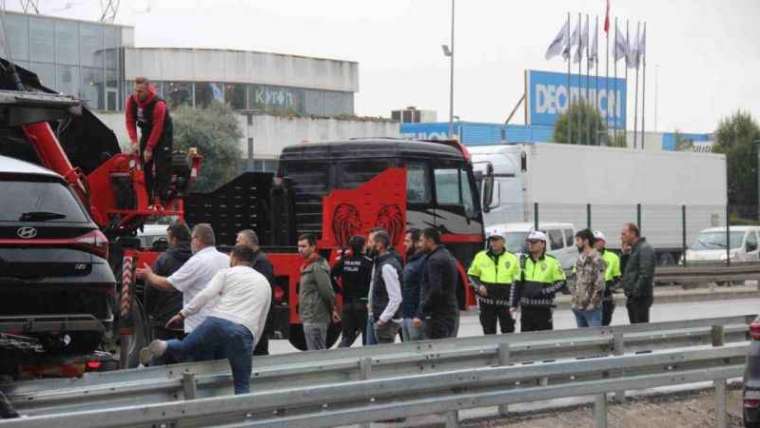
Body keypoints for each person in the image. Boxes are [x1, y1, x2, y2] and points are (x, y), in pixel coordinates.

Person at [139, 245, 271, 395]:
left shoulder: (226, 273)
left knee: (186, 346)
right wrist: (250, 345)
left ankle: (165, 345)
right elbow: (262, 318)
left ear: (233, 257)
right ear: (253, 261)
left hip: (215, 322)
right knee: (242, 385)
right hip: (243, 330)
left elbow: (205, 295)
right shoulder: (264, 282)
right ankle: (242, 415)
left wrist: (183, 314)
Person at [137, 223, 230, 335]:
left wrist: (149, 275)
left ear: (197, 239)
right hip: (222, 324)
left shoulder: (197, 260)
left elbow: (169, 285)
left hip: (195, 324)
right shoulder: (227, 260)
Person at [144, 221, 192, 356]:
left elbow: (151, 288)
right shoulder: (197, 259)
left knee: (162, 356)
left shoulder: (164, 260)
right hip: (191, 319)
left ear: (174, 239)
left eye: (169, 238)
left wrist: (150, 312)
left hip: (166, 320)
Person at [125, 77, 173, 206]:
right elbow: (130, 121)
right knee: (144, 163)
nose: (137, 94)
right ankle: (148, 198)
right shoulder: (131, 100)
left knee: (161, 164)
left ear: (147, 90)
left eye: (140, 91)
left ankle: (162, 197)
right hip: (146, 131)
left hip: (163, 133)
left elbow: (158, 128)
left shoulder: (158, 104)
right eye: (135, 90)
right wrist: (134, 141)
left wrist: (149, 148)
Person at [510, 231, 566, 332]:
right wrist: (513, 305)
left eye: (534, 242)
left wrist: (544, 291)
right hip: (526, 309)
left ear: (543, 244)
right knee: (526, 340)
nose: (531, 245)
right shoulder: (523, 261)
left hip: (543, 308)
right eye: (529, 242)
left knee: (544, 339)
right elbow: (516, 284)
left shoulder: (552, 261)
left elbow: (561, 283)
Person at [468, 230, 520, 335]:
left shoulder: (512, 258)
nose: (493, 243)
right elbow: (472, 275)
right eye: (491, 240)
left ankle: (506, 352)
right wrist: (479, 286)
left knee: (508, 331)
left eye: (496, 240)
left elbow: (517, 281)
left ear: (503, 241)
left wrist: (514, 303)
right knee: (488, 332)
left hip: (505, 304)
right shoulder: (480, 256)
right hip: (486, 303)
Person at [414, 228, 459, 339]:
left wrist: (421, 312)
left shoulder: (434, 260)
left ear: (430, 241)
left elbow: (435, 290)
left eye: (421, 240)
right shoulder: (447, 255)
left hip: (438, 316)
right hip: (449, 311)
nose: (419, 245)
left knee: (436, 351)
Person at [236, 229, 275, 355]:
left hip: (259, 315)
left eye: (238, 241)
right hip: (255, 314)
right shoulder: (256, 259)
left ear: (247, 242)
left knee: (259, 351)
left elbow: (261, 289)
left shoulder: (261, 262)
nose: (236, 245)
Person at [330, 235, 372, 347]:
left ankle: (339, 359)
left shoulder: (343, 261)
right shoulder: (368, 262)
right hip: (363, 303)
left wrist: (339, 290)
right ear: (363, 247)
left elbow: (331, 276)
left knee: (347, 337)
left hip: (347, 303)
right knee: (367, 337)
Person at [297, 233, 336, 350]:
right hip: (310, 315)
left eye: (304, 246)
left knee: (317, 354)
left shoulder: (317, 266)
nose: (300, 250)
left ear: (313, 247)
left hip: (315, 316)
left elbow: (326, 290)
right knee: (314, 352)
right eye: (299, 246)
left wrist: (332, 308)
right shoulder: (309, 265)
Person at [368, 230, 403, 344]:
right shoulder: (381, 263)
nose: (368, 245)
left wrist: (382, 319)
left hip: (386, 323)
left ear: (379, 245)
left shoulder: (387, 266)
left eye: (370, 242)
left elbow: (396, 298)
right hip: (381, 318)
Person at [620, 223, 656, 324]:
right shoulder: (634, 250)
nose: (621, 237)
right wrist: (624, 255)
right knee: (634, 329)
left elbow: (646, 275)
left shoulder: (644, 249)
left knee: (640, 330)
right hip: (634, 298)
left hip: (640, 298)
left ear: (633, 233)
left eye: (624, 234)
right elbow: (625, 272)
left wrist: (634, 293)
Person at [570, 229, 606, 328]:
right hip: (578, 307)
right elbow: (576, 280)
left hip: (591, 309)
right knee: (583, 340)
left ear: (586, 241)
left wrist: (592, 304)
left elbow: (600, 284)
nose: (576, 243)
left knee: (595, 339)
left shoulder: (597, 259)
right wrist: (574, 301)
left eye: (578, 240)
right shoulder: (579, 259)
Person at [401, 229, 425, 341]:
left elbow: (424, 290)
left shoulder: (422, 262)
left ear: (416, 243)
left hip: (415, 317)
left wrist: (419, 314)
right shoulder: (411, 261)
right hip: (407, 315)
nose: (404, 244)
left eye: (407, 241)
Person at [594, 231, 622, 326]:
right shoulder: (586, 256)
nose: (596, 243)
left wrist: (610, 288)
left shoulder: (613, 257)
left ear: (604, 242)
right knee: (594, 324)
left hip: (606, 296)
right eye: (594, 240)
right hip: (591, 296)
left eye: (598, 240)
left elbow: (618, 278)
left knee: (605, 323)